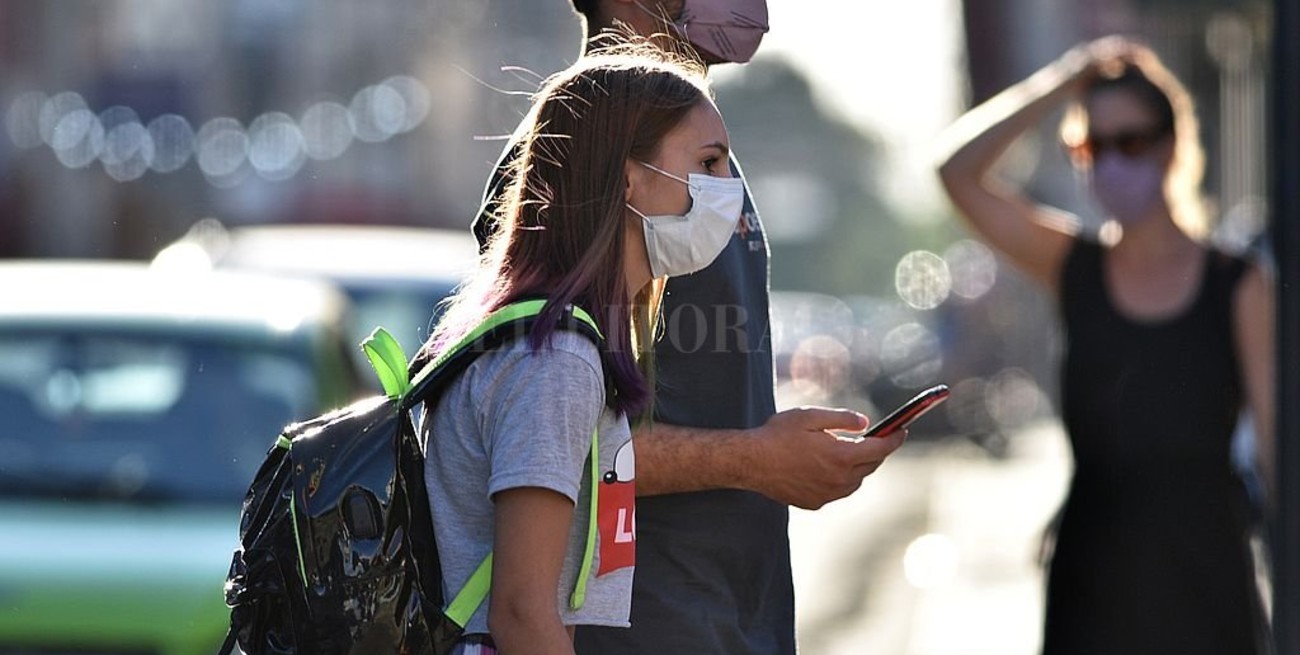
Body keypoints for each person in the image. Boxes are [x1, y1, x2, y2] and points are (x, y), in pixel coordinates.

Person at [471, 2, 908, 653]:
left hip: (736, 609)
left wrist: (782, 452)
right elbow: (542, 433)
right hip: (642, 619)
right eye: (708, 164)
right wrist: (760, 458)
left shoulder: (697, 155)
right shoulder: (565, 157)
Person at [936, 36, 1274, 654]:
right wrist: (1063, 81)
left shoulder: (1238, 283)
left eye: (1132, 141)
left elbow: (1279, 455)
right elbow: (957, 174)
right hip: (1095, 578)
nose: (1112, 162)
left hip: (1208, 573)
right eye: (1092, 146)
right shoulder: (1074, 265)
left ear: (1172, 144)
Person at [420, 46, 745, 655]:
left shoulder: (553, 341)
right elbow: (520, 615)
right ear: (628, 177)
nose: (728, 191)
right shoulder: (557, 362)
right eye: (708, 162)